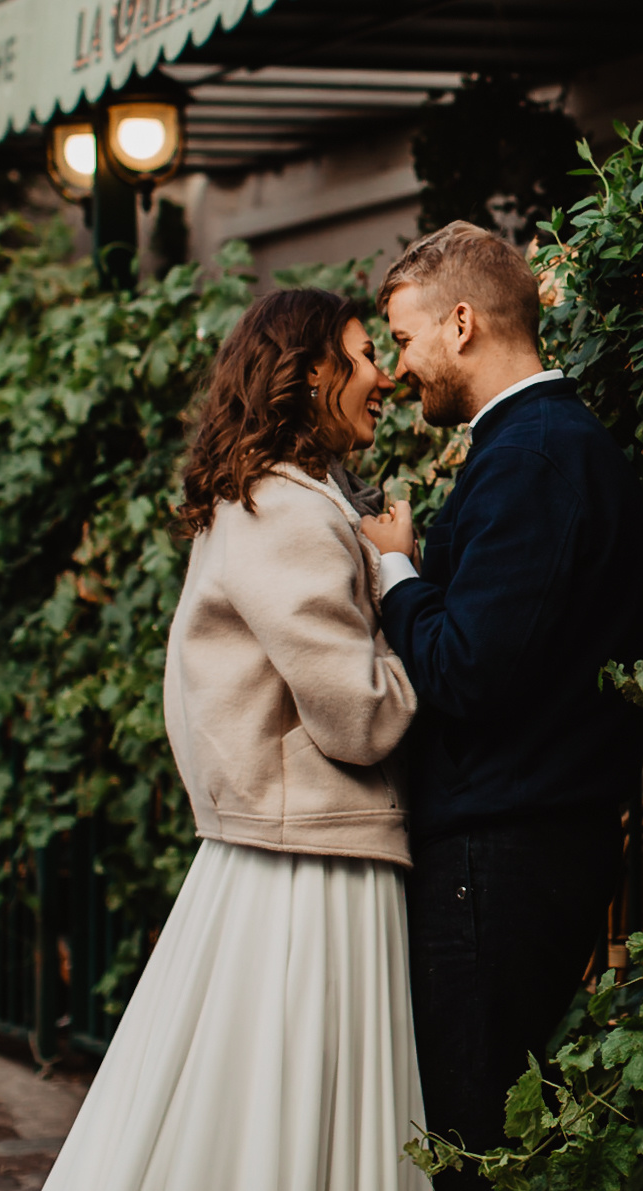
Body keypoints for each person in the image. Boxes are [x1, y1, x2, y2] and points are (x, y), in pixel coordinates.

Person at [43, 289, 428, 1191]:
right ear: (309, 373)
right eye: (365, 355)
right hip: (314, 861)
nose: (385, 376)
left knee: (249, 1102)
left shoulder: (257, 498)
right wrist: (398, 577)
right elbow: (361, 716)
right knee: (297, 1104)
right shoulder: (291, 513)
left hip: (281, 845)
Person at [357, 222, 643, 1185]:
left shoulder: (532, 457)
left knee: (474, 1132)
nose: (400, 369)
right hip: (520, 837)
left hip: (504, 848)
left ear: (461, 321)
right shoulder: (537, 446)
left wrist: (398, 572)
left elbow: (465, 673)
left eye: (401, 340)